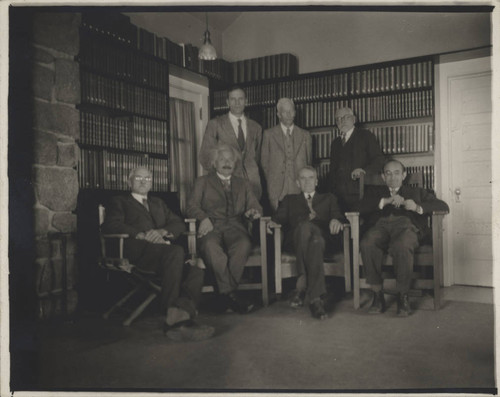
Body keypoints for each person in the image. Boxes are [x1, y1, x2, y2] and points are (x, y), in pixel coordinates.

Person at [101, 166, 214, 341]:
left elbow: (178, 224)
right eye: (138, 178)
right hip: (137, 254)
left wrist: (162, 232)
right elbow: (110, 225)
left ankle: (179, 317)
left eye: (147, 179)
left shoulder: (158, 203)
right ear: (129, 181)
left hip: (166, 256)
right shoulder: (119, 202)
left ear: (151, 183)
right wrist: (140, 234)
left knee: (197, 269)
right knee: (176, 251)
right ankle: (171, 317)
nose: (143, 182)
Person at [357, 160, 449, 316]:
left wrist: (417, 207)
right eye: (388, 173)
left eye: (397, 173)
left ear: (404, 175)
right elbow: (356, 207)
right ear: (383, 177)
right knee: (367, 242)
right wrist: (384, 201)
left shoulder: (417, 192)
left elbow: (443, 206)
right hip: (380, 227)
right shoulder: (375, 194)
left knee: (402, 244)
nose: (393, 177)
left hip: (406, 227)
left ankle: (402, 296)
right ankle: (378, 295)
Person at [186, 144, 263, 314]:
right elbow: (191, 206)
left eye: (230, 160)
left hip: (236, 226)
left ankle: (224, 297)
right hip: (211, 225)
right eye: (222, 159)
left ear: (235, 164)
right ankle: (230, 296)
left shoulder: (243, 183)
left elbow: (255, 205)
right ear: (214, 163)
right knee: (211, 247)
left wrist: (253, 212)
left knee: (243, 245)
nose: (226, 163)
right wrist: (203, 218)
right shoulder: (203, 181)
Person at [268, 166, 344, 320]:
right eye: (303, 178)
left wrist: (336, 220)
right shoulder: (290, 200)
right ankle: (316, 299)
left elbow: (338, 216)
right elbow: (278, 219)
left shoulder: (329, 198)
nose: (307, 181)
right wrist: (271, 222)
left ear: (316, 181)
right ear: (297, 183)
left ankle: (302, 285)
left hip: (322, 239)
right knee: (304, 227)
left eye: (311, 178)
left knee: (315, 240)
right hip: (295, 240)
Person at [199, 85, 263, 199]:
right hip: (224, 185)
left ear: (246, 101)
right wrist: (220, 176)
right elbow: (205, 156)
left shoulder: (256, 127)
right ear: (228, 102)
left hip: (252, 185)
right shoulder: (216, 124)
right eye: (233, 99)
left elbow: (257, 157)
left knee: (252, 214)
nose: (237, 103)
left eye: (241, 99)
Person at [328, 107, 385, 210]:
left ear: (354, 119)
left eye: (346, 117)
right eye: (338, 119)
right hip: (339, 195)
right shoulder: (335, 143)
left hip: (361, 191)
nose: (342, 121)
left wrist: (364, 171)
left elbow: (379, 160)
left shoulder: (366, 136)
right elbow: (333, 171)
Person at [261, 97, 312, 211]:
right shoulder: (268, 135)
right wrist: (273, 179)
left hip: (299, 188)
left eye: (291, 111)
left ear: (295, 113)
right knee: (279, 223)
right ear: (279, 114)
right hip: (277, 190)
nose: (289, 115)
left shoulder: (305, 135)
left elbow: (309, 163)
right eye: (285, 112)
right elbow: (264, 163)